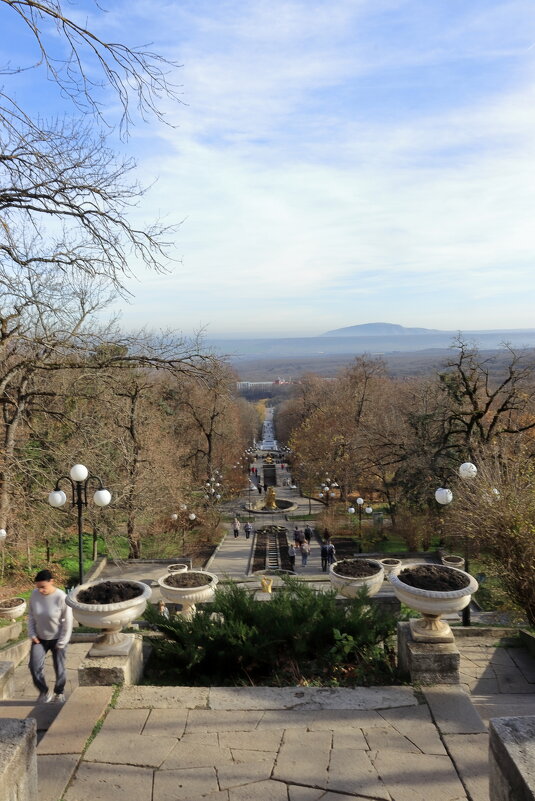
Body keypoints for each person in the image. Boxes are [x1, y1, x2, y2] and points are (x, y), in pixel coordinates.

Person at [28, 569, 73, 704]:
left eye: (43, 587)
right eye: (38, 587)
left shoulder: (61, 597)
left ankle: (59, 693)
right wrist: (32, 633)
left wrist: (62, 642)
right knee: (34, 666)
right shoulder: (34, 595)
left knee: (59, 668)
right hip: (39, 639)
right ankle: (44, 691)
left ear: (51, 582)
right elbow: (31, 616)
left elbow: (68, 621)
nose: (40, 590)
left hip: (58, 639)